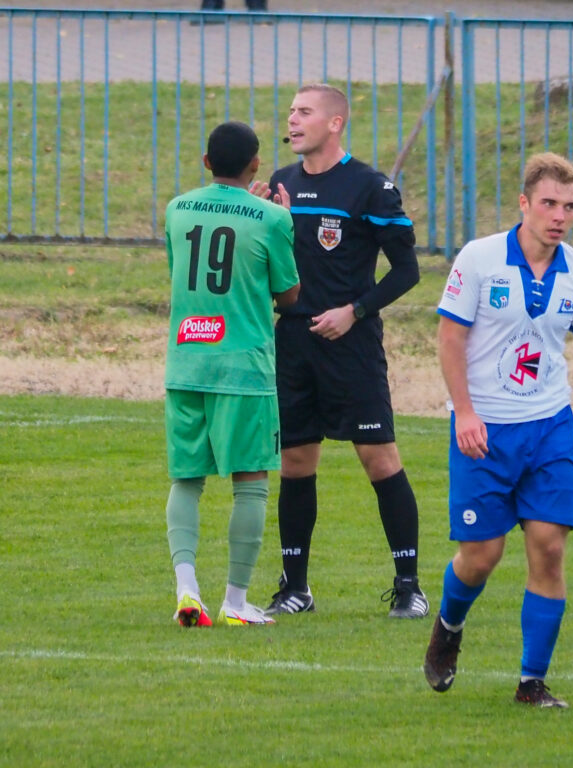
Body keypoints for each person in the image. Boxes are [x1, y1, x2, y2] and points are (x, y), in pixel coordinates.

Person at [423, 152, 573, 708]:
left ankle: (531, 682)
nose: (560, 216)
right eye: (549, 203)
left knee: (549, 547)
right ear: (524, 203)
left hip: (549, 429)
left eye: (570, 207)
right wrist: (465, 412)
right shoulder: (480, 258)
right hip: (484, 431)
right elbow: (449, 338)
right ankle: (449, 626)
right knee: (481, 557)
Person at [250, 83, 428, 619]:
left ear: (334, 123)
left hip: (352, 349)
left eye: (304, 112)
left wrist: (356, 310)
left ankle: (409, 587)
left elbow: (407, 271)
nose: (292, 119)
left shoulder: (370, 187)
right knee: (295, 462)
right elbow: (272, 264)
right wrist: (261, 219)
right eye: (290, 111)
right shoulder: (280, 182)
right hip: (293, 344)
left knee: (379, 459)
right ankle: (295, 588)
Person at [163, 121, 300, 628]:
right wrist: (282, 222)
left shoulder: (178, 209)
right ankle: (236, 602)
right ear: (256, 165)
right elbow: (289, 296)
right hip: (242, 367)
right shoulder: (272, 218)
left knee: (186, 480)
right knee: (251, 483)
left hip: (186, 362)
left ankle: (187, 590)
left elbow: (181, 272)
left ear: (206, 162)